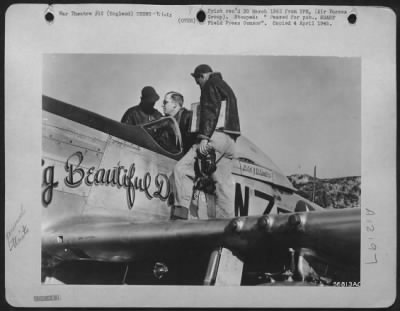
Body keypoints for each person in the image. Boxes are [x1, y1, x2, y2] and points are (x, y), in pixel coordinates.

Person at [172, 64, 241, 220]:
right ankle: (226, 225)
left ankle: (181, 214)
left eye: (198, 81)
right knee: (223, 185)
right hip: (230, 141)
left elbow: (210, 110)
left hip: (214, 136)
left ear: (202, 76)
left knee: (182, 169)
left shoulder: (210, 84)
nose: (199, 85)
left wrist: (204, 137)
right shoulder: (225, 87)